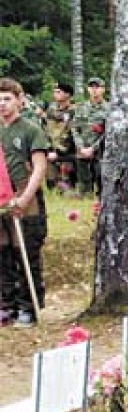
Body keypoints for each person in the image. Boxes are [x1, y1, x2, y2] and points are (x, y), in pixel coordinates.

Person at [0, 78, 49, 327]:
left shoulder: (30, 129)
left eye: (7, 98)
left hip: (25, 196)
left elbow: (40, 166)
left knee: (25, 252)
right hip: (2, 199)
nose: (2, 104)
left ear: (19, 100)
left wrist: (25, 197)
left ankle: (28, 305)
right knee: (3, 254)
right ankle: (6, 304)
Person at [70, 77, 109, 196]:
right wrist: (81, 147)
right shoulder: (81, 107)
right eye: (92, 87)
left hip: (100, 150)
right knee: (83, 182)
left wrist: (94, 148)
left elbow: (108, 132)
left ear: (103, 89)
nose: (94, 90)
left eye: (97, 87)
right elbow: (75, 128)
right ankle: (85, 195)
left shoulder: (109, 108)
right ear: (88, 89)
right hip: (82, 149)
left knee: (100, 176)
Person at [42, 81, 76, 192]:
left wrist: (58, 152)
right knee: (51, 185)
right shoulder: (51, 110)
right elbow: (44, 129)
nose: (55, 94)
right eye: (54, 92)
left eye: (59, 92)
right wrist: (48, 149)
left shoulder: (75, 111)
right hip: (51, 151)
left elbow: (73, 134)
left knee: (66, 189)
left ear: (68, 95)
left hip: (68, 153)